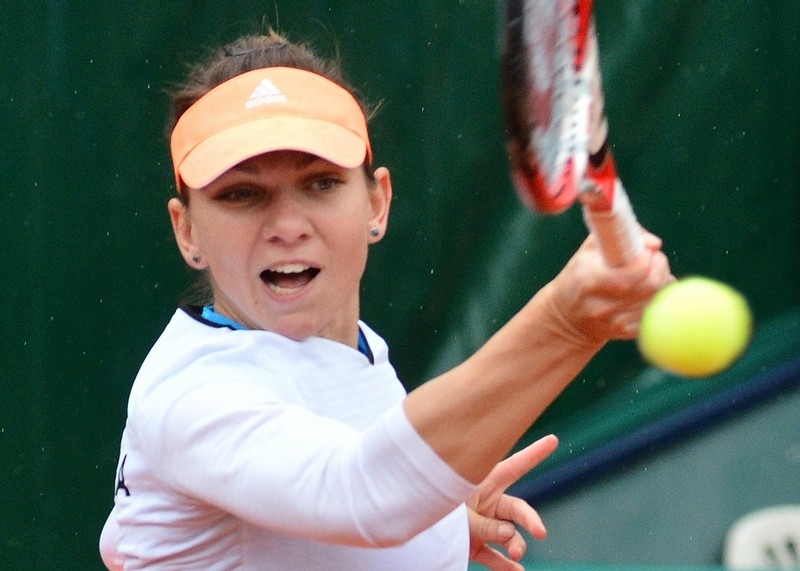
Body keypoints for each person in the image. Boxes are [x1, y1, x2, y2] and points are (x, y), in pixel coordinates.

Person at [99, 30, 672, 570]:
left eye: (320, 183)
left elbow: (361, 495)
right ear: (188, 232)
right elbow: (360, 493)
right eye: (242, 194)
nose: (288, 225)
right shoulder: (194, 393)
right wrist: (567, 324)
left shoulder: (355, 350)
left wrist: (434, 519)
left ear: (377, 203)